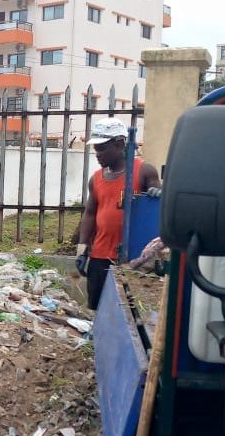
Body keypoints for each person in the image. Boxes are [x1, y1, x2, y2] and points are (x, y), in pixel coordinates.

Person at [76, 117, 161, 310]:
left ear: (120, 144)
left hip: (133, 259)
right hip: (100, 255)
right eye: (96, 148)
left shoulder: (144, 171)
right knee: (97, 309)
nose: (97, 153)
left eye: (102, 148)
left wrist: (157, 194)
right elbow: (90, 214)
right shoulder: (96, 179)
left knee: (128, 311)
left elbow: (156, 209)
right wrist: (82, 249)